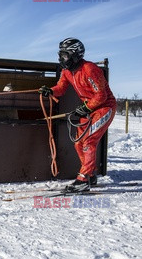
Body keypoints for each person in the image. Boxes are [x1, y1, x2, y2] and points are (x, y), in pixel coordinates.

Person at [39, 38, 116, 192]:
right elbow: (61, 87)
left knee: (88, 141)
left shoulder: (90, 69)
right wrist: (51, 91)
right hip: (88, 108)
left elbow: (101, 96)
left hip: (104, 107)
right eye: (60, 55)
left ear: (75, 54)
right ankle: (90, 174)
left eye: (65, 55)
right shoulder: (66, 71)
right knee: (78, 143)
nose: (61, 59)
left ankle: (83, 179)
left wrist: (86, 107)